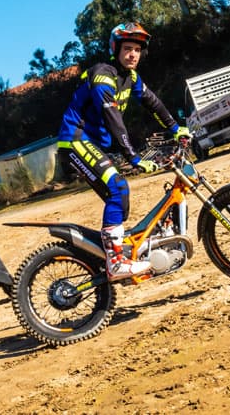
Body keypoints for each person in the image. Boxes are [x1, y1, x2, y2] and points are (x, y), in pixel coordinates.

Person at [57, 22, 189, 281]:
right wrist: (134, 156)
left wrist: (176, 128)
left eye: (137, 50)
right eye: (127, 49)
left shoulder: (132, 78)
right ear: (115, 49)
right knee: (118, 187)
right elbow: (112, 118)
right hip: (75, 140)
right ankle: (115, 262)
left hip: (94, 144)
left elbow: (153, 103)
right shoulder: (102, 75)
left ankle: (114, 252)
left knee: (120, 199)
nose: (133, 54)